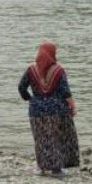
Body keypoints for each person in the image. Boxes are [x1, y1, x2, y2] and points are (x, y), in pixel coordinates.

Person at [18, 41, 80, 175]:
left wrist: (31, 99)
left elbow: (21, 87)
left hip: (37, 111)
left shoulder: (31, 69)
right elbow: (65, 92)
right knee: (58, 137)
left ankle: (42, 167)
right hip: (57, 109)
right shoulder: (58, 70)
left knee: (41, 138)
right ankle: (57, 168)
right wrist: (73, 106)